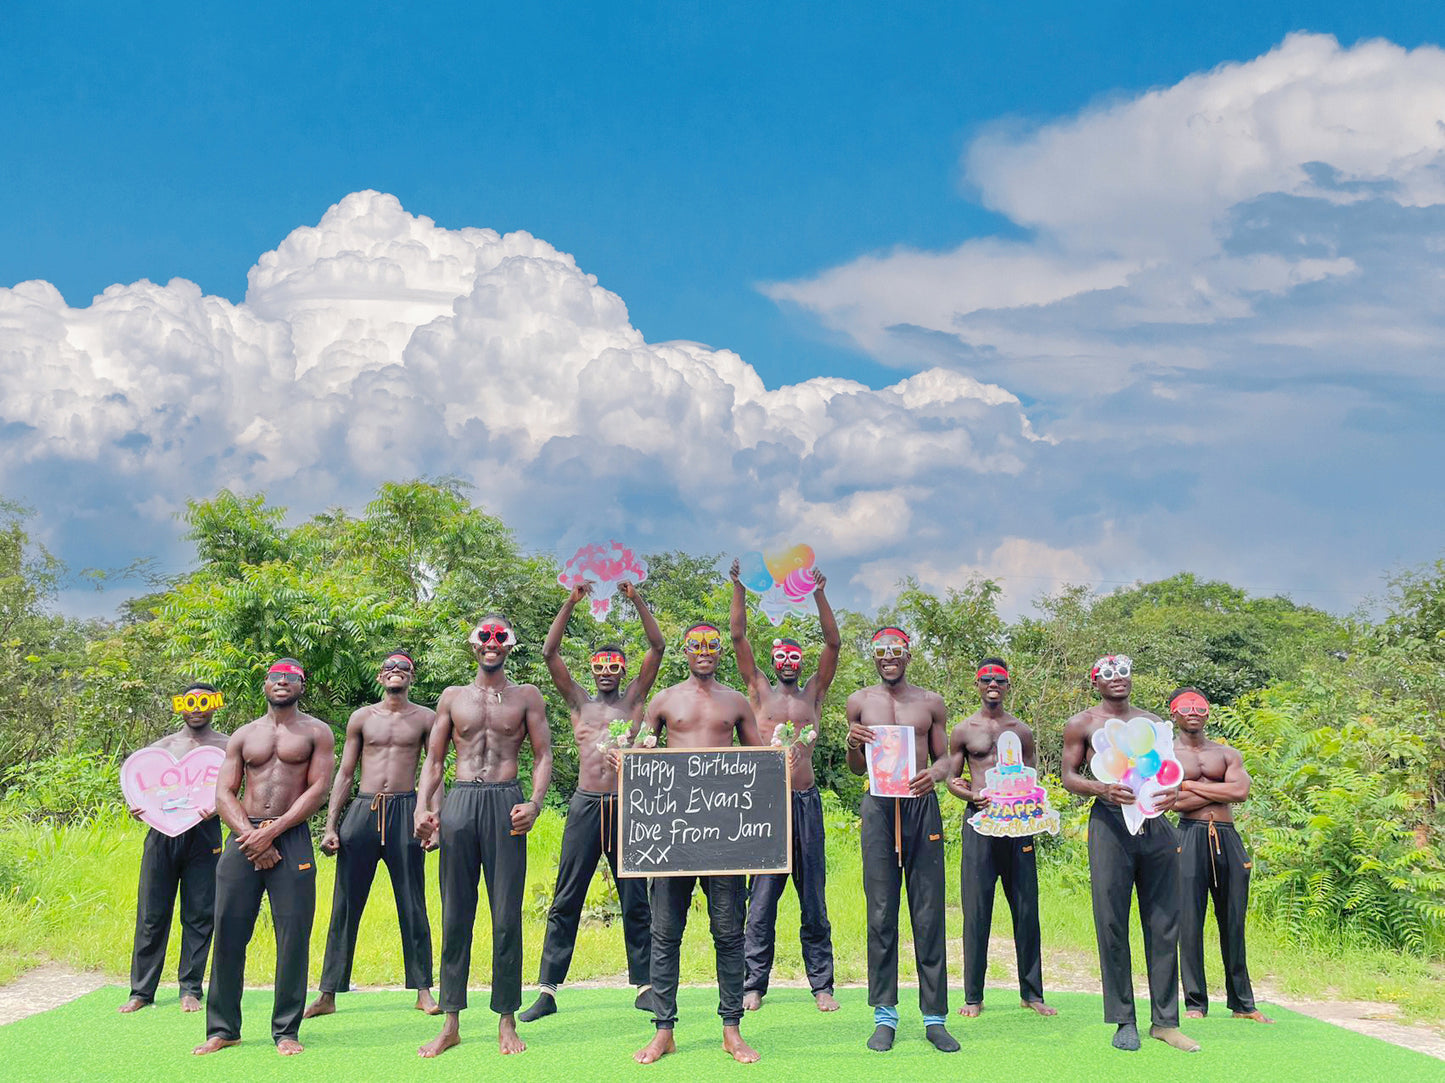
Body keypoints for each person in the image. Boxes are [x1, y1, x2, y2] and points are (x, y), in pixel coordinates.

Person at [520, 580, 664, 1022]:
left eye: (613, 665)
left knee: (635, 897)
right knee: (567, 896)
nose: (606, 671)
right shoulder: (579, 702)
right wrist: (570, 601)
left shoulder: (635, 701)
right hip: (585, 804)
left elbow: (656, 648)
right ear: (592, 669)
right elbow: (549, 654)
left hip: (627, 805)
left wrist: (636, 598)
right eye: (599, 664)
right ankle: (547, 990)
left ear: (622, 671)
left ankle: (644, 985)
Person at [414, 615, 553, 1058]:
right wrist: (423, 807)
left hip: (506, 803)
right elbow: (434, 761)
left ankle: (506, 1019)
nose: (491, 643)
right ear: (473, 643)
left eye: (500, 636)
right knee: (456, 913)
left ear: (510, 644)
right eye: (484, 636)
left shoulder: (527, 696)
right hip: (460, 804)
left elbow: (544, 753)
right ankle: (451, 1020)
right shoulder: (452, 698)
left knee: (505, 915)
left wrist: (534, 802)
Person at [631, 623, 763, 1065]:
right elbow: (641, 755)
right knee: (665, 933)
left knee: (728, 934)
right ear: (685, 651)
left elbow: (760, 765)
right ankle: (663, 1030)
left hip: (724, 832)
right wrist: (628, 756)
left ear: (720, 651)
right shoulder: (665, 700)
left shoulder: (736, 701)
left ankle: (731, 1029)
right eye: (695, 645)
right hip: (671, 832)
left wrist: (787, 758)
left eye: (711, 645)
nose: (703, 652)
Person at [192, 660, 335, 1057]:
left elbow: (318, 789)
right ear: (266, 685)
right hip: (244, 836)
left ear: (302, 686)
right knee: (229, 933)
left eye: (291, 678)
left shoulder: (316, 732)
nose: (283, 682)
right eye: (276, 677)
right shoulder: (243, 735)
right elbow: (224, 793)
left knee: (293, 937)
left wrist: (272, 832)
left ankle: (286, 1030)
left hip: (289, 838)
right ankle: (223, 1028)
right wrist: (251, 836)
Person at [1061, 654, 1198, 1053]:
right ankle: (1124, 1019)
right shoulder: (1082, 724)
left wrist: (1173, 795)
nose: (1117, 678)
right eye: (1107, 673)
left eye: (1123, 672)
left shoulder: (1154, 724)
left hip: (1155, 825)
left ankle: (1166, 1022)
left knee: (1163, 921)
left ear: (1131, 677)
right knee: (1112, 920)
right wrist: (1101, 789)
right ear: (1096, 681)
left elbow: (1168, 771)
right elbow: (1069, 776)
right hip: (1109, 825)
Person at [728, 559, 840, 1013]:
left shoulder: (814, 693)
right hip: (766, 805)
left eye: (795, 656)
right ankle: (754, 983)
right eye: (782, 656)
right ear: (774, 662)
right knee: (762, 899)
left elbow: (833, 642)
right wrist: (738, 586)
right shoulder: (758, 691)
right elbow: (738, 636)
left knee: (812, 894)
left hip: (807, 802)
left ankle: (821, 984)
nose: (789, 662)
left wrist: (818, 593)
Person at [304, 650, 438, 1020]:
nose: (396, 672)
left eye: (403, 668)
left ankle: (423, 989)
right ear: (380, 677)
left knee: (412, 902)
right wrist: (331, 825)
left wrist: (431, 818)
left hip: (406, 810)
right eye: (389, 668)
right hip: (363, 811)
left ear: (412, 676)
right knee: (345, 904)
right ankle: (328, 992)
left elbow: (434, 769)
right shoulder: (362, 718)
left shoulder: (427, 718)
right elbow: (345, 773)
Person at [845, 627, 959, 1054]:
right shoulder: (859, 701)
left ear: (908, 654)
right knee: (880, 913)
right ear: (874, 656)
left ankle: (935, 1017)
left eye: (896, 650)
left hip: (918, 806)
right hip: (878, 807)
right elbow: (857, 768)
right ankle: (884, 1016)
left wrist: (937, 773)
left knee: (928, 913)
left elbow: (946, 756)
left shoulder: (930, 702)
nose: (888, 657)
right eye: (880, 651)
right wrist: (852, 743)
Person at [945, 659, 1055, 1018]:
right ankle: (973, 996)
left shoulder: (1021, 731)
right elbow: (951, 779)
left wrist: (1033, 809)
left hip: (1018, 826)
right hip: (980, 824)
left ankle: (1032, 993)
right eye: (986, 679)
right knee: (976, 910)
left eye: (1000, 679)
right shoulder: (963, 729)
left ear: (1009, 685)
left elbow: (1031, 775)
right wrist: (970, 796)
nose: (993, 684)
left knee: (1026, 908)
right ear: (976, 684)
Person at [1161, 687, 1273, 1024]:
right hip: (1188, 836)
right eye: (1186, 706)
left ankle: (1243, 1003)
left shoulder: (1227, 754)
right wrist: (1214, 794)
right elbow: (1171, 802)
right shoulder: (1166, 754)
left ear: (1208, 712)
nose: (1193, 710)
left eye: (1200, 706)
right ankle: (1195, 1002)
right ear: (1174, 714)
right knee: (1189, 922)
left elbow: (1239, 791)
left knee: (1234, 920)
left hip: (1227, 838)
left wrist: (1190, 786)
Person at [119, 682, 230, 1015]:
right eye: (190, 701)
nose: (196, 707)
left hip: (204, 836)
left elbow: (238, 791)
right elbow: (143, 789)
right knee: (152, 914)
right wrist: (137, 809)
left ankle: (190, 988)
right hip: (160, 836)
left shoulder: (228, 747)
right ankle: (141, 991)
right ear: (179, 705)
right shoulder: (161, 748)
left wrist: (221, 808)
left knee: (199, 913)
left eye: (204, 701)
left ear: (215, 705)